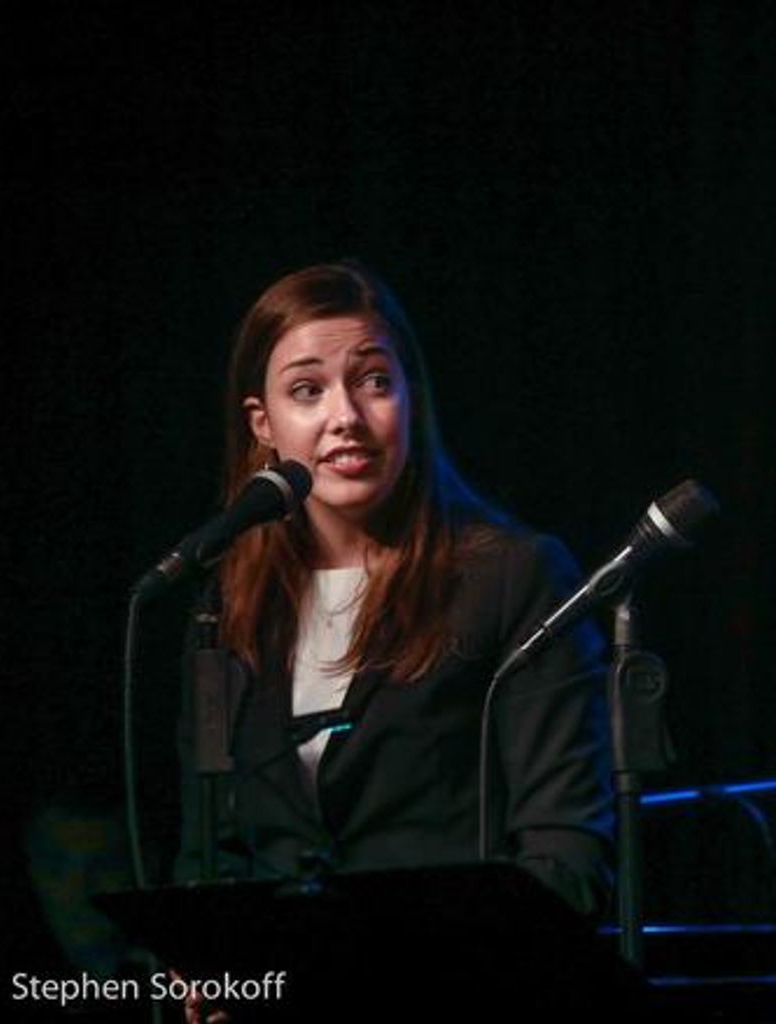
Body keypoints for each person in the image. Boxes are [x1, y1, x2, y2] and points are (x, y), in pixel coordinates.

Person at [170, 262, 621, 1015]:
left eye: (375, 380)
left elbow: (566, 857)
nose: (345, 415)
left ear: (411, 399)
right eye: (307, 390)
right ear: (262, 424)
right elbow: (205, 857)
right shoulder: (226, 607)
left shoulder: (512, 577)